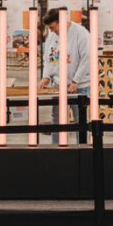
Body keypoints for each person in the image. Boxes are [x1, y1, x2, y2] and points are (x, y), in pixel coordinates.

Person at [39, 8, 90, 140]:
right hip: (58, 86)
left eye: (53, 27)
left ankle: (83, 150)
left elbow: (87, 59)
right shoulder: (52, 36)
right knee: (57, 120)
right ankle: (57, 150)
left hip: (80, 86)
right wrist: (46, 76)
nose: (52, 31)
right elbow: (49, 59)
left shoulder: (81, 33)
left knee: (81, 120)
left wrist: (76, 81)